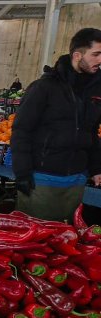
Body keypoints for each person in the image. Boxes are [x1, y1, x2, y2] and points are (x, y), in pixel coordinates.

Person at [11, 28, 101, 221]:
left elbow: (92, 132)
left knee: (67, 240)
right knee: (35, 240)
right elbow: (21, 130)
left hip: (76, 182)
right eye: (96, 54)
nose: (100, 60)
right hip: (42, 181)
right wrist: (23, 174)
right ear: (77, 55)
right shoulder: (44, 87)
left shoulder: (95, 90)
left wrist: (95, 168)